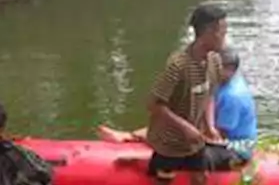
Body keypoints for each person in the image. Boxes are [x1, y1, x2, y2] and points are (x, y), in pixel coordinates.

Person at [144, 3, 229, 185]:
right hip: (170, 140)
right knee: (163, 183)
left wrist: (209, 125)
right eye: (222, 31)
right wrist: (185, 127)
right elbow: (153, 104)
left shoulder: (214, 61)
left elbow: (210, 95)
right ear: (208, 32)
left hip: (196, 139)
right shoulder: (177, 66)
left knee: (200, 178)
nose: (225, 36)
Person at [97, 47, 257, 169]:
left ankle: (143, 161)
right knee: (179, 122)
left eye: (218, 67)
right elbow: (210, 99)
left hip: (235, 149)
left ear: (230, 70)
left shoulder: (233, 97)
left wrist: (188, 132)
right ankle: (129, 136)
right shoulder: (223, 80)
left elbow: (218, 136)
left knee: (190, 150)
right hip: (219, 135)